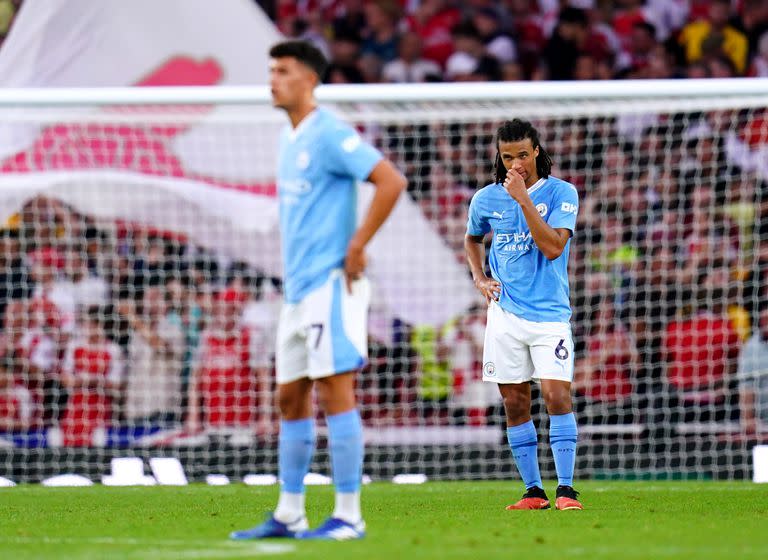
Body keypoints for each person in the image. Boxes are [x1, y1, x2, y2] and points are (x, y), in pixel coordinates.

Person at [230, 40, 406, 541]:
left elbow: (390, 180)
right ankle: (289, 513)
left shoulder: (329, 132)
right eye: (271, 70)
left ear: (308, 79)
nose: (273, 79)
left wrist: (357, 245)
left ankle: (349, 515)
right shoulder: (290, 137)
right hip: (296, 290)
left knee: (335, 391)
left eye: (282, 71)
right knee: (289, 397)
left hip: (331, 285)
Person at [464, 118, 582, 511]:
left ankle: (566, 489)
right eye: (507, 156)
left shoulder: (562, 192)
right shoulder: (485, 199)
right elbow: (471, 238)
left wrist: (524, 200)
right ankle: (534, 491)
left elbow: (552, 248)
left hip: (549, 315)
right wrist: (479, 277)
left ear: (537, 153)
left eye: (522, 155)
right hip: (504, 314)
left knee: (555, 394)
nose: (516, 163)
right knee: (514, 401)